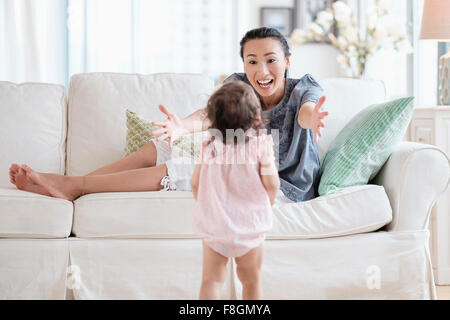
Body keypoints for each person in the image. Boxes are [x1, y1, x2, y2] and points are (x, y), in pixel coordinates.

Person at [8, 27, 328, 202]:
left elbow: (306, 111)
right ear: (244, 64)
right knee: (160, 147)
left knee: (181, 166)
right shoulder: (238, 85)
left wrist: (312, 119)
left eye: (271, 59)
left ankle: (75, 186)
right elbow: (209, 114)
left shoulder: (303, 89)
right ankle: (73, 184)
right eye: (252, 61)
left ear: (287, 61)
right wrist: (182, 127)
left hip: (281, 186)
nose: (262, 70)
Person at [191, 80, 279, 300]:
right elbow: (272, 184)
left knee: (211, 281)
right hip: (249, 226)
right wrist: (265, 205)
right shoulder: (260, 146)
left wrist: (209, 209)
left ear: (213, 121)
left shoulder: (209, 146)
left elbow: (195, 184)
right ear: (256, 117)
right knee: (251, 281)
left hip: (216, 227)